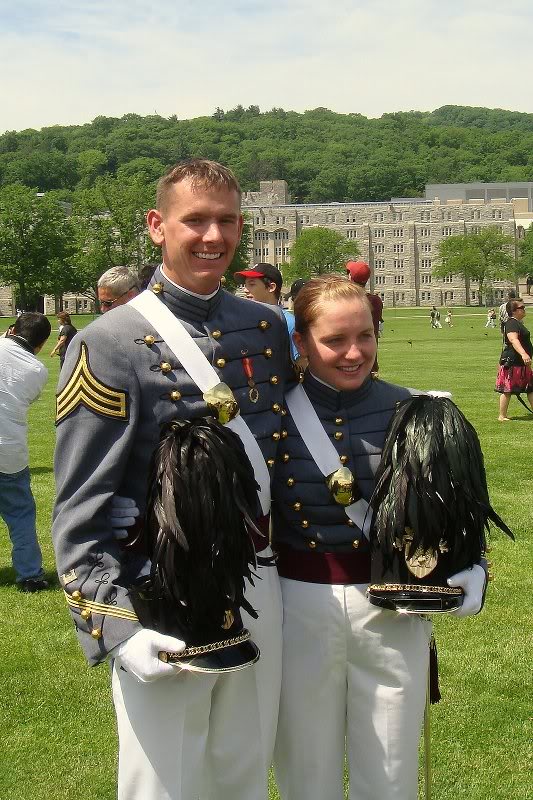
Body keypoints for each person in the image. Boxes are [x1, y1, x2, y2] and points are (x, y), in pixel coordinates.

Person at [52, 159, 291, 800]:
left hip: (257, 578)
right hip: (162, 588)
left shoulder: (265, 326)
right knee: (163, 781)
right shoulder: (109, 342)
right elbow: (81, 504)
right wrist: (115, 623)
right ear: (158, 226)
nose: (213, 236)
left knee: (243, 768)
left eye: (227, 220)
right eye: (196, 220)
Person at [270, 276, 487, 800]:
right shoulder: (270, 414)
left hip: (393, 611)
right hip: (295, 609)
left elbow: (452, 515)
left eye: (365, 336)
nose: (353, 353)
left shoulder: (416, 412)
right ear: (300, 342)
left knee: (391, 774)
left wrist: (472, 569)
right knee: (305, 774)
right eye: (334, 340)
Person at [0, 312, 51, 592]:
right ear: (41, 344)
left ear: (12, 329)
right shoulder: (37, 370)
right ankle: (30, 575)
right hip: (9, 449)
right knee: (20, 515)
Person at [235, 262, 302, 364]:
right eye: (245, 285)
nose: (245, 290)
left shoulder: (288, 323)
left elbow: (299, 365)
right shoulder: (242, 321)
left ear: (271, 287)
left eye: (251, 284)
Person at [495, 298, 533, 421]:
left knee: (531, 388)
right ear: (514, 311)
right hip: (513, 363)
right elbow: (513, 339)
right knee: (507, 389)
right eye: (521, 307)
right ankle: (502, 416)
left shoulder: (518, 323)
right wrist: (523, 354)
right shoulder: (511, 323)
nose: (524, 309)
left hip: (522, 363)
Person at [345, 261, 383, 373]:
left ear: (350, 277)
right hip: (370, 363)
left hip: (349, 363)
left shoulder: (346, 302)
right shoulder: (376, 301)